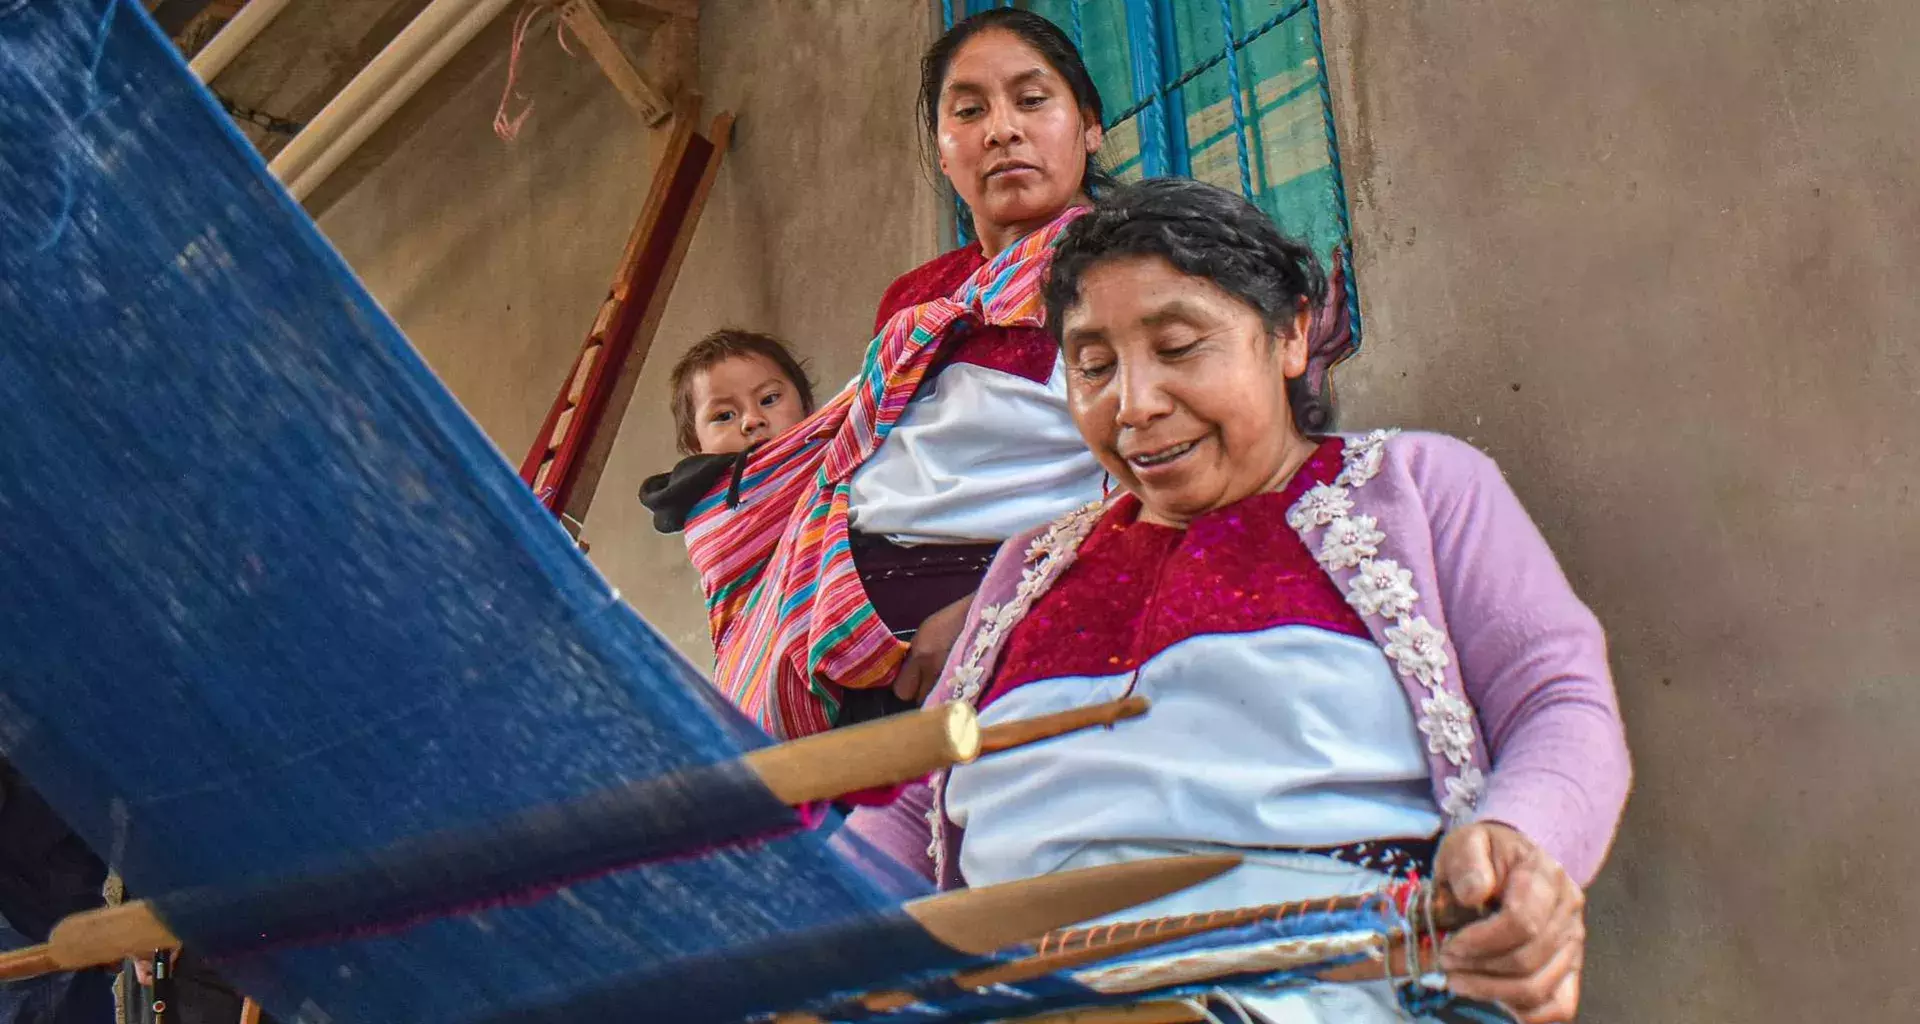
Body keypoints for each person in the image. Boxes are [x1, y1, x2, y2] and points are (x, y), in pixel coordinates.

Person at [847, 178, 1633, 1024]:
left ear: (1290, 332)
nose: (1134, 405)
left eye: (1179, 346)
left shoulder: (1415, 488)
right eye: (1094, 366)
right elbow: (915, 799)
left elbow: (1557, 701)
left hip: (1319, 985)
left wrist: (1520, 846)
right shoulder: (1028, 564)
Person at [671, 11, 1336, 739]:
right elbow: (865, 460)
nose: (1001, 130)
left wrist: (995, 607)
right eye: (969, 111)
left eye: (1031, 99)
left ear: (1088, 126)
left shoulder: (1132, 278)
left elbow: (1188, 481)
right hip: (841, 646)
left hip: (993, 646)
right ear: (943, 150)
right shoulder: (921, 299)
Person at [640, 330, 816, 533]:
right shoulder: (704, 517)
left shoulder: (840, 454)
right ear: (696, 445)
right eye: (724, 416)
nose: (752, 420)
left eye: (769, 399)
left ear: (806, 405)